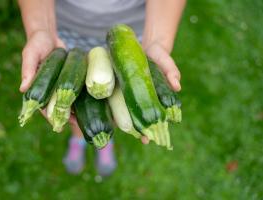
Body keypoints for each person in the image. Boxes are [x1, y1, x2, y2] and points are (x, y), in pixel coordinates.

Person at [17, 0, 185, 176]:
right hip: (65, 28)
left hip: (132, 34)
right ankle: (79, 137)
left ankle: (101, 141)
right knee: (78, 108)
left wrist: (156, 40)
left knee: (113, 102)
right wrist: (41, 29)